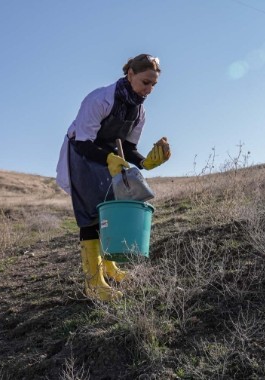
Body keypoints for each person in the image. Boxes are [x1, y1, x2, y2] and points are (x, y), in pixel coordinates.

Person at [56, 54, 171, 301]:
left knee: (109, 213)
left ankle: (110, 268)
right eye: (145, 82)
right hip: (83, 155)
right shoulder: (99, 99)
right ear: (130, 74)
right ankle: (93, 283)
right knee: (90, 216)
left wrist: (146, 162)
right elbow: (84, 141)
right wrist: (108, 158)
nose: (149, 89)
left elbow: (128, 148)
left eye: (153, 84)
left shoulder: (139, 111)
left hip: (110, 160)